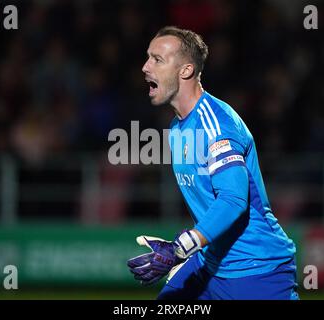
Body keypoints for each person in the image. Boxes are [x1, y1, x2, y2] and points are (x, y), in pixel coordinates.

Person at [127, 26, 299, 300]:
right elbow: (208, 201)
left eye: (157, 59)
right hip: (210, 265)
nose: (146, 67)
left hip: (255, 269)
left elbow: (233, 200)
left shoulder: (215, 125)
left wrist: (180, 248)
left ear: (185, 70)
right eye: (148, 57)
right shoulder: (177, 128)